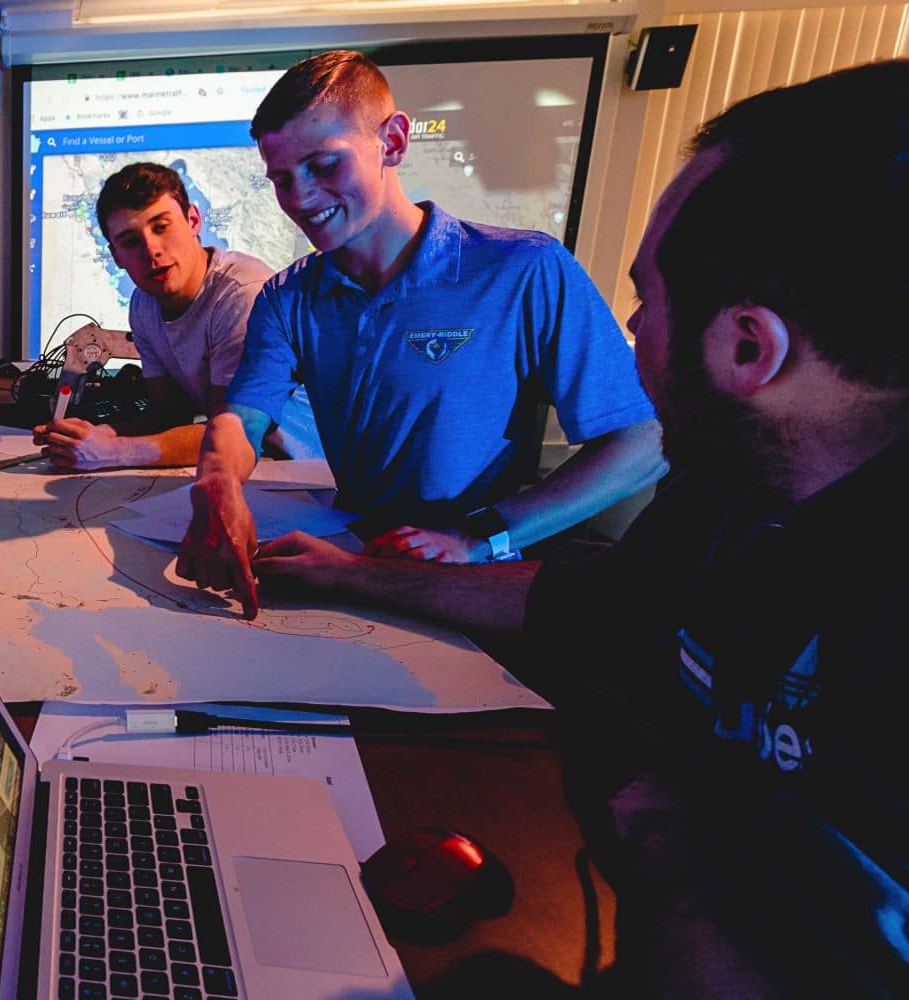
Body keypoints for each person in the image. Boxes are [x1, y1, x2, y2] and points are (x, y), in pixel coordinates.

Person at [251, 61, 909, 995]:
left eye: (647, 301)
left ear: (749, 347)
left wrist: (692, 844)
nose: (632, 330)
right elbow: (594, 603)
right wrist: (352, 575)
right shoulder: (726, 493)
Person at [179, 51, 665, 611]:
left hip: (478, 582)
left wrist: (476, 537)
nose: (301, 198)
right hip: (355, 566)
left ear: (393, 141)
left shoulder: (524, 270)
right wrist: (218, 482)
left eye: (324, 165)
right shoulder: (288, 297)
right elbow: (244, 416)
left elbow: (643, 442)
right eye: (283, 179)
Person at [31, 162, 318, 471]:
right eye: (130, 241)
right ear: (115, 256)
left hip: (305, 474)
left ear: (193, 220)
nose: (151, 249)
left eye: (161, 226)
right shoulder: (143, 305)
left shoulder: (242, 294)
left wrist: (112, 451)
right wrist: (95, 435)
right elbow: (169, 415)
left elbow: (231, 436)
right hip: (249, 468)